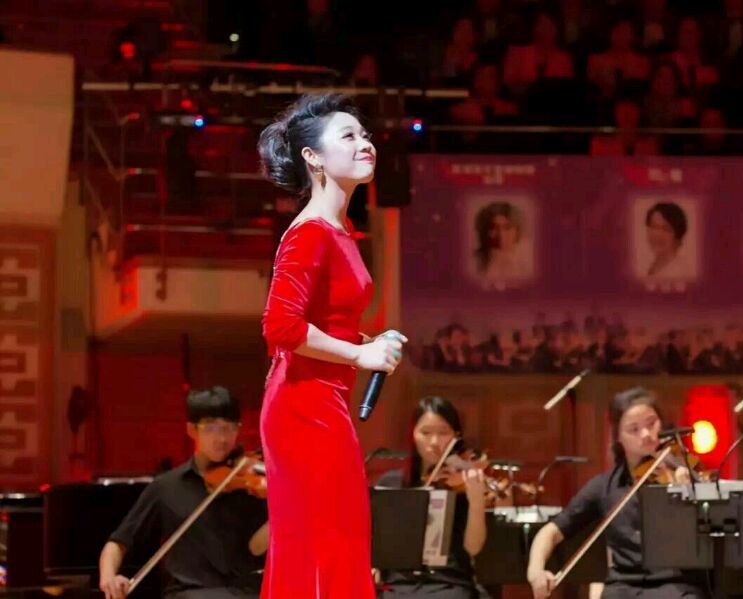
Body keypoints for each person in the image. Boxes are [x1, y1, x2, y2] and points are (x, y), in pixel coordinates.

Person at [257, 92, 407, 598]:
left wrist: (368, 343)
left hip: (324, 399)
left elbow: (324, 324)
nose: (365, 144)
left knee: (339, 538)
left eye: (365, 135)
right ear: (313, 157)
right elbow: (280, 327)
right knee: (325, 541)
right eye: (348, 136)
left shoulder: (341, 230)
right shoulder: (311, 233)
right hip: (302, 405)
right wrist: (360, 355)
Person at [527, 387, 703, 599]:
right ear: (618, 436)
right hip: (622, 588)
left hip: (675, 586)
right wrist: (535, 571)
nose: (646, 434)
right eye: (633, 429)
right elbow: (551, 531)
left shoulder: (682, 474)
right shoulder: (604, 487)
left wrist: (687, 495)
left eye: (651, 423)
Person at [98, 387, 269, 599]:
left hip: (244, 594)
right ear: (191, 430)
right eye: (211, 428)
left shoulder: (249, 485)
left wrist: (284, 513)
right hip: (189, 594)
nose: (221, 438)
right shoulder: (166, 487)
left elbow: (256, 548)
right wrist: (109, 578)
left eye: (229, 428)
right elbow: (117, 544)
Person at [375, 396, 489, 599]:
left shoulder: (462, 485)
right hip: (398, 584)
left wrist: (476, 502)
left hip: (449, 583)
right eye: (426, 433)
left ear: (456, 435)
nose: (434, 442)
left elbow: (473, 548)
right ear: (413, 434)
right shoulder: (391, 483)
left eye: (443, 433)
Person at [473, 201, 533, 291]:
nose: (501, 235)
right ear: (484, 231)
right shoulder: (474, 261)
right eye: (493, 228)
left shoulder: (529, 258)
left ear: (517, 230)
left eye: (507, 227)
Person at [643, 202, 690, 279]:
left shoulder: (679, 272)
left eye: (666, 229)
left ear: (677, 236)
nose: (657, 234)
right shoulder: (652, 265)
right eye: (654, 226)